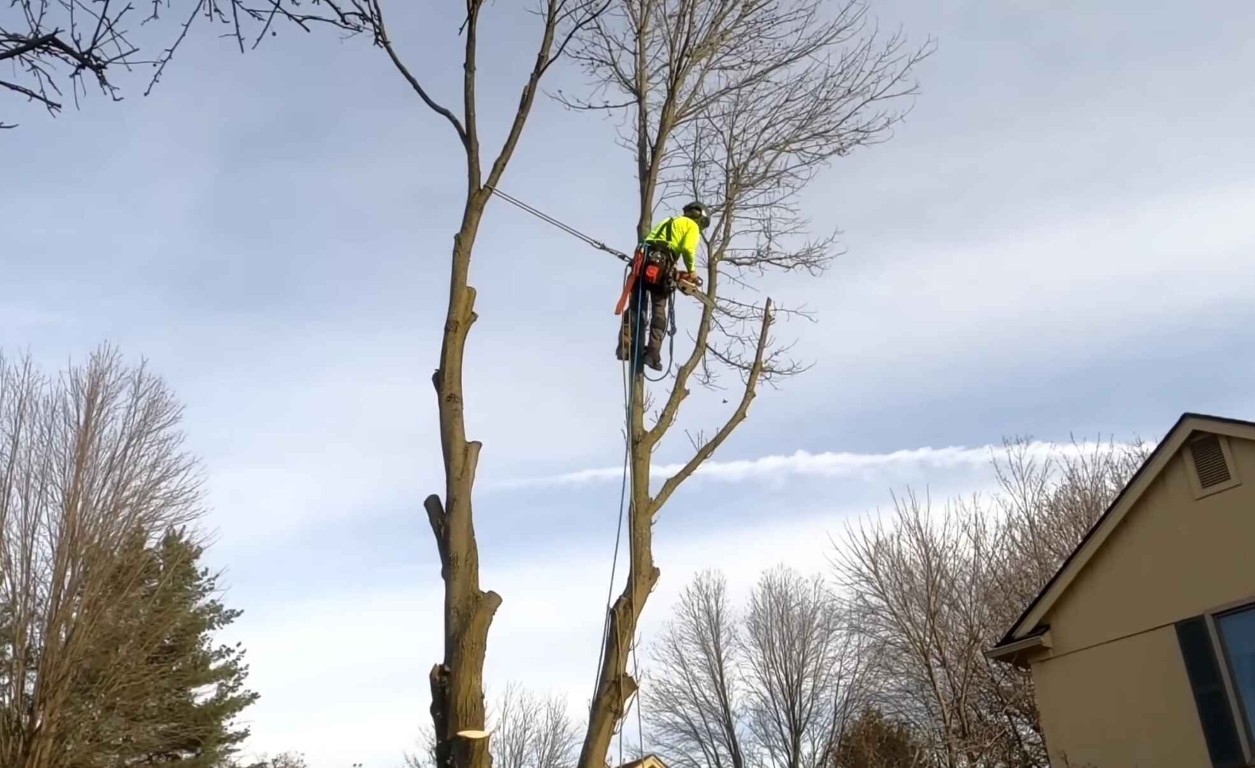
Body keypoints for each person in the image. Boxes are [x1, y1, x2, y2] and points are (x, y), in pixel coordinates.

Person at [616, 201, 710, 370]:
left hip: (643, 262)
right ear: (701, 220)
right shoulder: (692, 227)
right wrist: (692, 272)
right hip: (663, 266)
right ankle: (652, 355)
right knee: (659, 312)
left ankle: (624, 347)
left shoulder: (668, 221)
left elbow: (651, 241)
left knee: (635, 308)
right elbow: (688, 249)